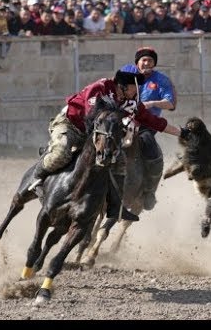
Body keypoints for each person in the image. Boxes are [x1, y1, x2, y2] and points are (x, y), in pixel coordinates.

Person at [31, 70, 187, 223]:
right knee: (61, 153)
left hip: (95, 134)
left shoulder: (131, 102)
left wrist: (182, 132)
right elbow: (91, 116)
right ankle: (37, 177)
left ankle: (115, 206)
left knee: (120, 161)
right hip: (71, 125)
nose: (138, 91)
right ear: (122, 86)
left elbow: (154, 121)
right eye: (135, 88)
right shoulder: (100, 88)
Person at [120, 47, 177, 210]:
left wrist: (152, 104)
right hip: (122, 118)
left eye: (150, 60)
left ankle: (149, 191)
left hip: (147, 124)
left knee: (151, 148)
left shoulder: (161, 80)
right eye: (144, 60)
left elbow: (170, 103)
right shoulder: (126, 72)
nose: (147, 63)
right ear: (137, 62)